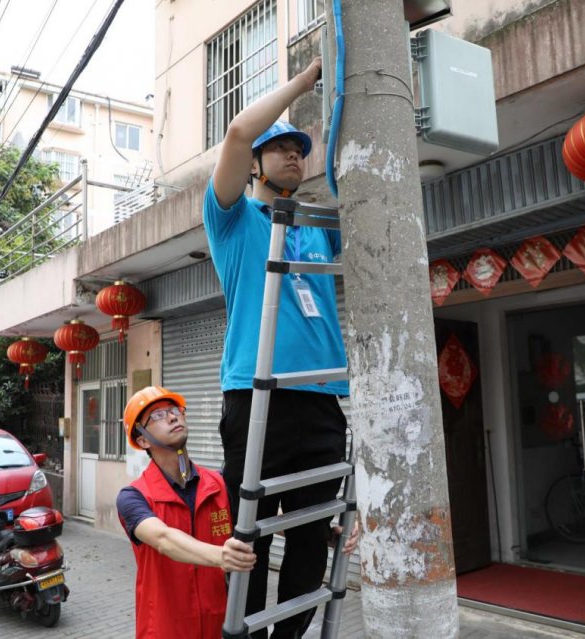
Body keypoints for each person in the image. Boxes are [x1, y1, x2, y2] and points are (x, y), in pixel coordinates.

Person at [204, 57, 357, 639]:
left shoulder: (317, 225)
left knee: (312, 538)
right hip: (256, 398)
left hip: (320, 400)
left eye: (301, 149)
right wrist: (307, 81)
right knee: (249, 536)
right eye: (282, 147)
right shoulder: (233, 219)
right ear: (256, 166)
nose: (295, 155)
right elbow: (238, 133)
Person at [116, 385, 257, 639]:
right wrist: (221, 556)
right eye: (157, 415)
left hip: (219, 624)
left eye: (174, 410)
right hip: (165, 628)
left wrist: (323, 530)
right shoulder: (133, 497)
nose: (172, 417)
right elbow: (163, 538)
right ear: (142, 439)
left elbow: (257, 516)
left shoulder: (218, 484)